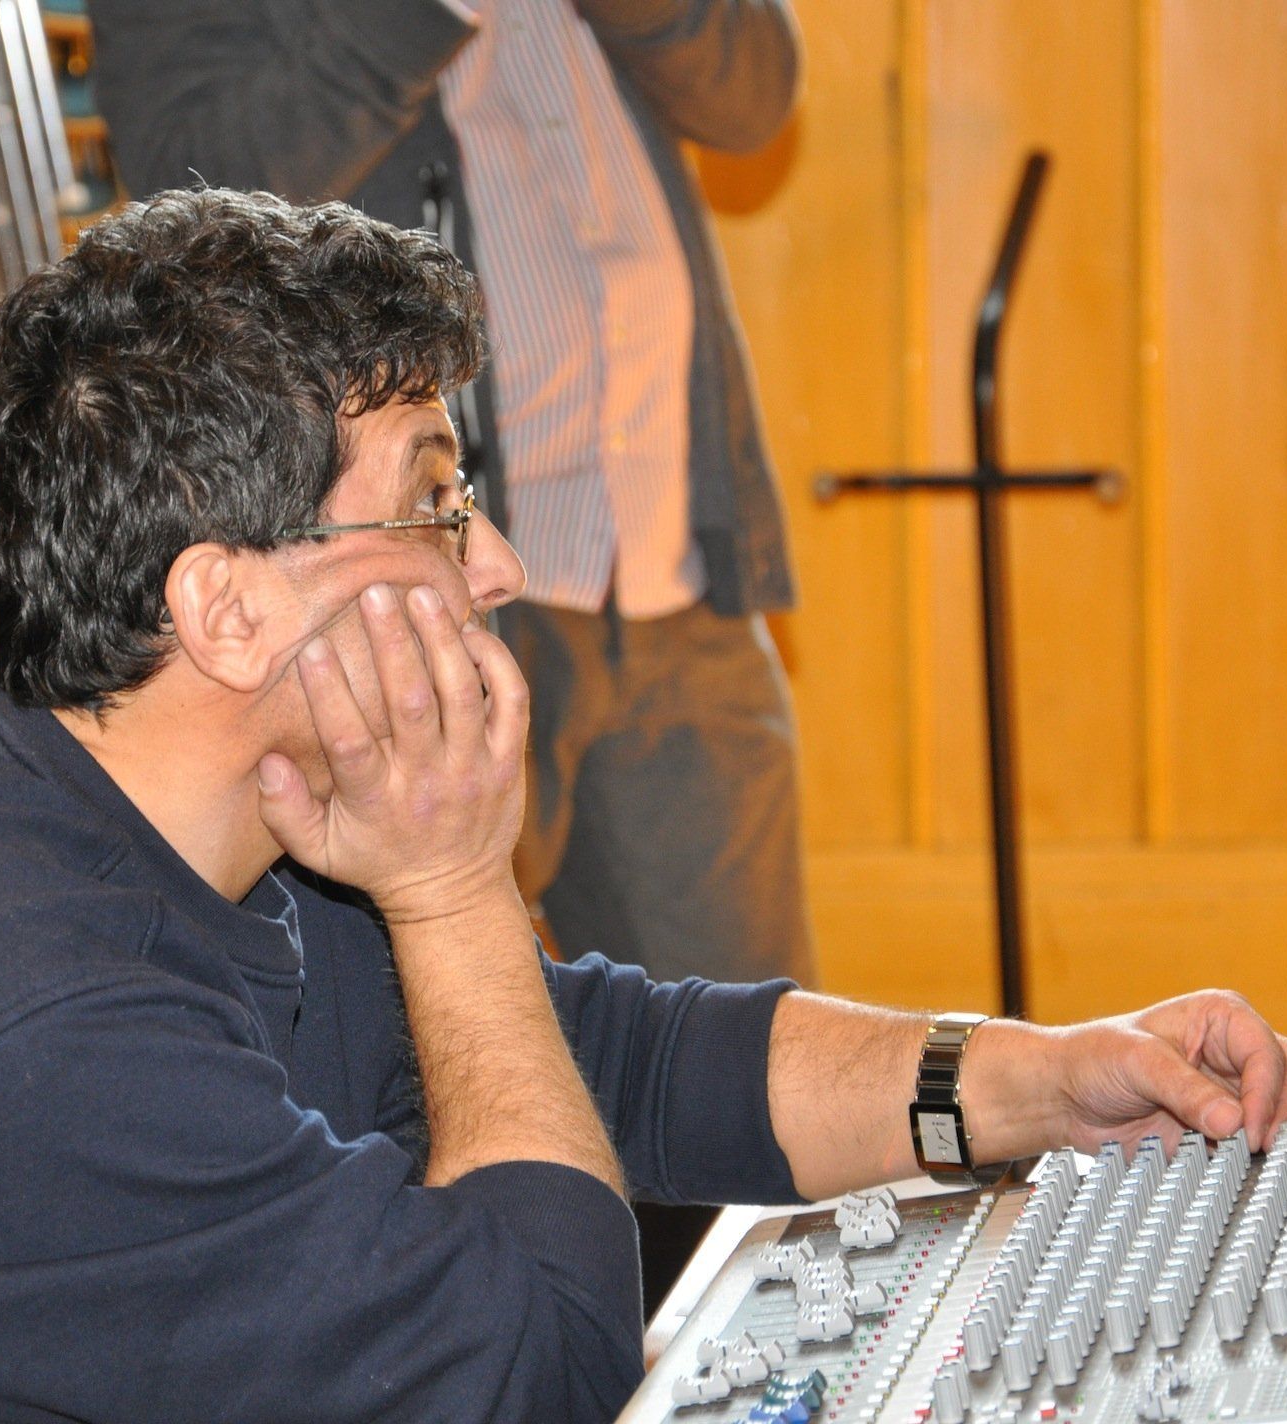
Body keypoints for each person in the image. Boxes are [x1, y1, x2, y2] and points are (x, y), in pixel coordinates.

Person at [0, 191, 1287, 1423]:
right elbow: (533, 1369)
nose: (489, 564)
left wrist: (1028, 1083)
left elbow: (591, 1060)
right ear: (228, 606)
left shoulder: (174, 806)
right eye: (429, 496)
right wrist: (454, 884)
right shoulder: (26, 998)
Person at [87, 0, 812, 990]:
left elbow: (754, 97)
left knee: (738, 1049)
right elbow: (190, 185)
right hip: (408, 596)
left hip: (673, 554)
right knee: (418, 1038)